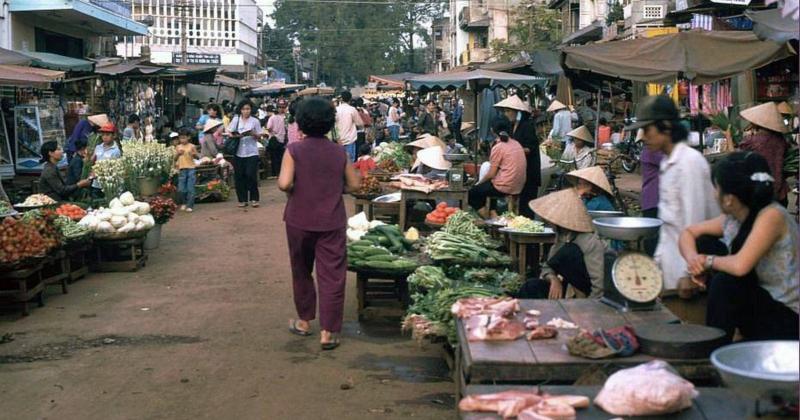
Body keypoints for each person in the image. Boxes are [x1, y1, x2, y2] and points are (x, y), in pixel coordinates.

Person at [678, 152, 798, 342]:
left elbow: (740, 265)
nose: (714, 194)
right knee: (705, 243)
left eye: (716, 188)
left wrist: (706, 261)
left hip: (788, 321)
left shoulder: (771, 215)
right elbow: (689, 233)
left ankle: (715, 350)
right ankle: (730, 335)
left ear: (729, 199)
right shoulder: (734, 218)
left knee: (724, 283)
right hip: (763, 303)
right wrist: (694, 262)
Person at [279, 96, 360, 350]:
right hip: (331, 221)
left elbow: (283, 183)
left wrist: (298, 187)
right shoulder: (339, 152)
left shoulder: (294, 150)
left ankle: (304, 321)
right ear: (329, 123)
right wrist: (336, 188)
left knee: (301, 270)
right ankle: (329, 332)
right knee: (332, 275)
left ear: (300, 122)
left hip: (299, 220)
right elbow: (356, 185)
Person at [627, 95, 719, 294]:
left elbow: (694, 222)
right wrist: (656, 265)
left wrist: (689, 274)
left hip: (690, 276)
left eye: (647, 129)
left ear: (666, 127)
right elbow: (668, 227)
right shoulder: (667, 164)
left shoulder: (689, 163)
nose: (643, 136)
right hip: (670, 274)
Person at [518, 189, 606, 299]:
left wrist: (585, 308)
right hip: (568, 287)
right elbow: (548, 266)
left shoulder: (589, 241)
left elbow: (599, 285)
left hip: (588, 295)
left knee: (569, 252)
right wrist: (553, 279)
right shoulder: (562, 235)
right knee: (531, 287)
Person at [494, 94, 541, 218]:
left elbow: (529, 148)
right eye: (505, 111)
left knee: (527, 203)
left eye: (508, 111)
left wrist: (513, 152)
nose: (506, 113)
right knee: (518, 203)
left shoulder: (527, 126)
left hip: (529, 169)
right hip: (518, 170)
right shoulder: (511, 127)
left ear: (517, 112)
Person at [468, 119, 527, 216]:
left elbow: (491, 174)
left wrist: (478, 183)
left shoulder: (498, 147)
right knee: (488, 186)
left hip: (505, 186)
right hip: (519, 185)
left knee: (472, 193)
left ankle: (488, 219)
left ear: (492, 130)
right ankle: (493, 213)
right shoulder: (516, 143)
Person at [738, 102, 790, 205]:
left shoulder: (752, 140)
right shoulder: (781, 140)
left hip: (762, 192)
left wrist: (728, 137)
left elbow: (735, 158)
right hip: (781, 192)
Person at [227, 99, 265, 208]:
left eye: (248, 109)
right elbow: (229, 131)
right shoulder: (236, 119)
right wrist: (233, 135)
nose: (246, 111)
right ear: (240, 110)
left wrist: (254, 134)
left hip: (252, 152)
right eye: (243, 109)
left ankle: (254, 198)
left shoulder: (255, 121)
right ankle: (242, 200)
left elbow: (260, 134)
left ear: (251, 109)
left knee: (250, 175)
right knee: (239, 176)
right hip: (238, 151)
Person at [639, 128, 664, 256]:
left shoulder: (650, 151)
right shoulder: (651, 152)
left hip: (653, 199)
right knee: (654, 237)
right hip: (653, 199)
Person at [91, 123, 122, 196]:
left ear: (113, 136)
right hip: (96, 184)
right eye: (103, 135)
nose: (105, 137)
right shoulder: (98, 147)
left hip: (108, 185)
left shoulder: (116, 151)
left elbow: (115, 169)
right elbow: (93, 162)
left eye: (107, 135)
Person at [335, 91, 363, 162]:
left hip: (338, 140)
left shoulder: (336, 109)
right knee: (349, 162)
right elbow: (359, 123)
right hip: (349, 140)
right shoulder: (352, 109)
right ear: (350, 99)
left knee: (339, 162)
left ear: (341, 99)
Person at [174, 128, 199, 212]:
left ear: (188, 137)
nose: (182, 140)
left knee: (190, 188)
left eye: (184, 138)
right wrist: (178, 154)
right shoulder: (178, 147)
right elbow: (175, 159)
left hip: (191, 168)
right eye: (180, 138)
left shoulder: (192, 146)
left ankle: (190, 205)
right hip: (182, 169)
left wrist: (194, 154)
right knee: (181, 189)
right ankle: (184, 202)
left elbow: (197, 157)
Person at [267, 99, 289, 177]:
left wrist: (273, 131)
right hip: (279, 140)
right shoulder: (283, 117)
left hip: (280, 139)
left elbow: (268, 128)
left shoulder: (285, 117)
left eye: (283, 107)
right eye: (280, 107)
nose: (282, 109)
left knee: (277, 157)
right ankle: (279, 173)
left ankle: (277, 173)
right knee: (279, 157)